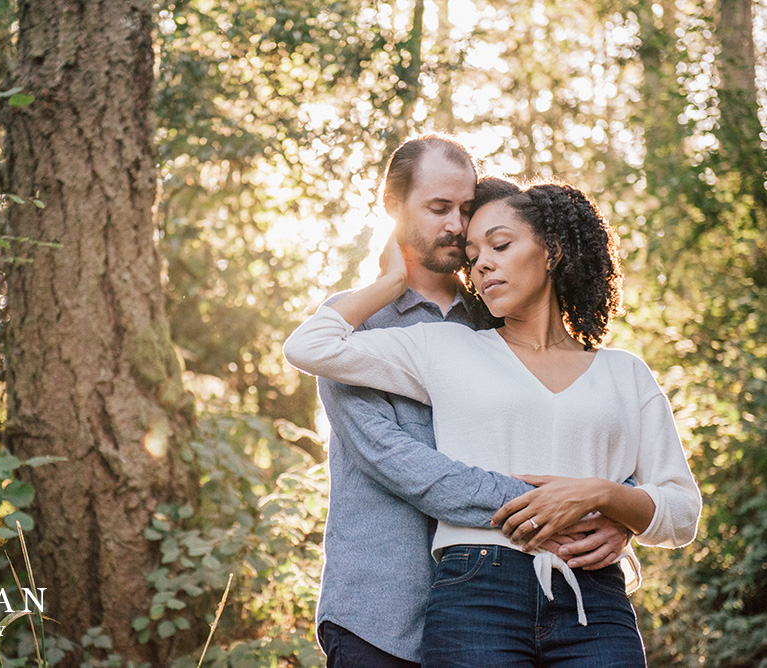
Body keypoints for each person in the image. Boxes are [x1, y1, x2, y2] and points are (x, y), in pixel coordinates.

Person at [284, 174, 702, 665]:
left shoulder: (625, 372)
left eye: (500, 246)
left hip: (595, 600)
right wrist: (391, 281)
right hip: (476, 591)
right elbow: (309, 346)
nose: (481, 264)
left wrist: (604, 496)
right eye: (472, 257)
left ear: (553, 250)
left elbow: (681, 512)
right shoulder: (446, 347)